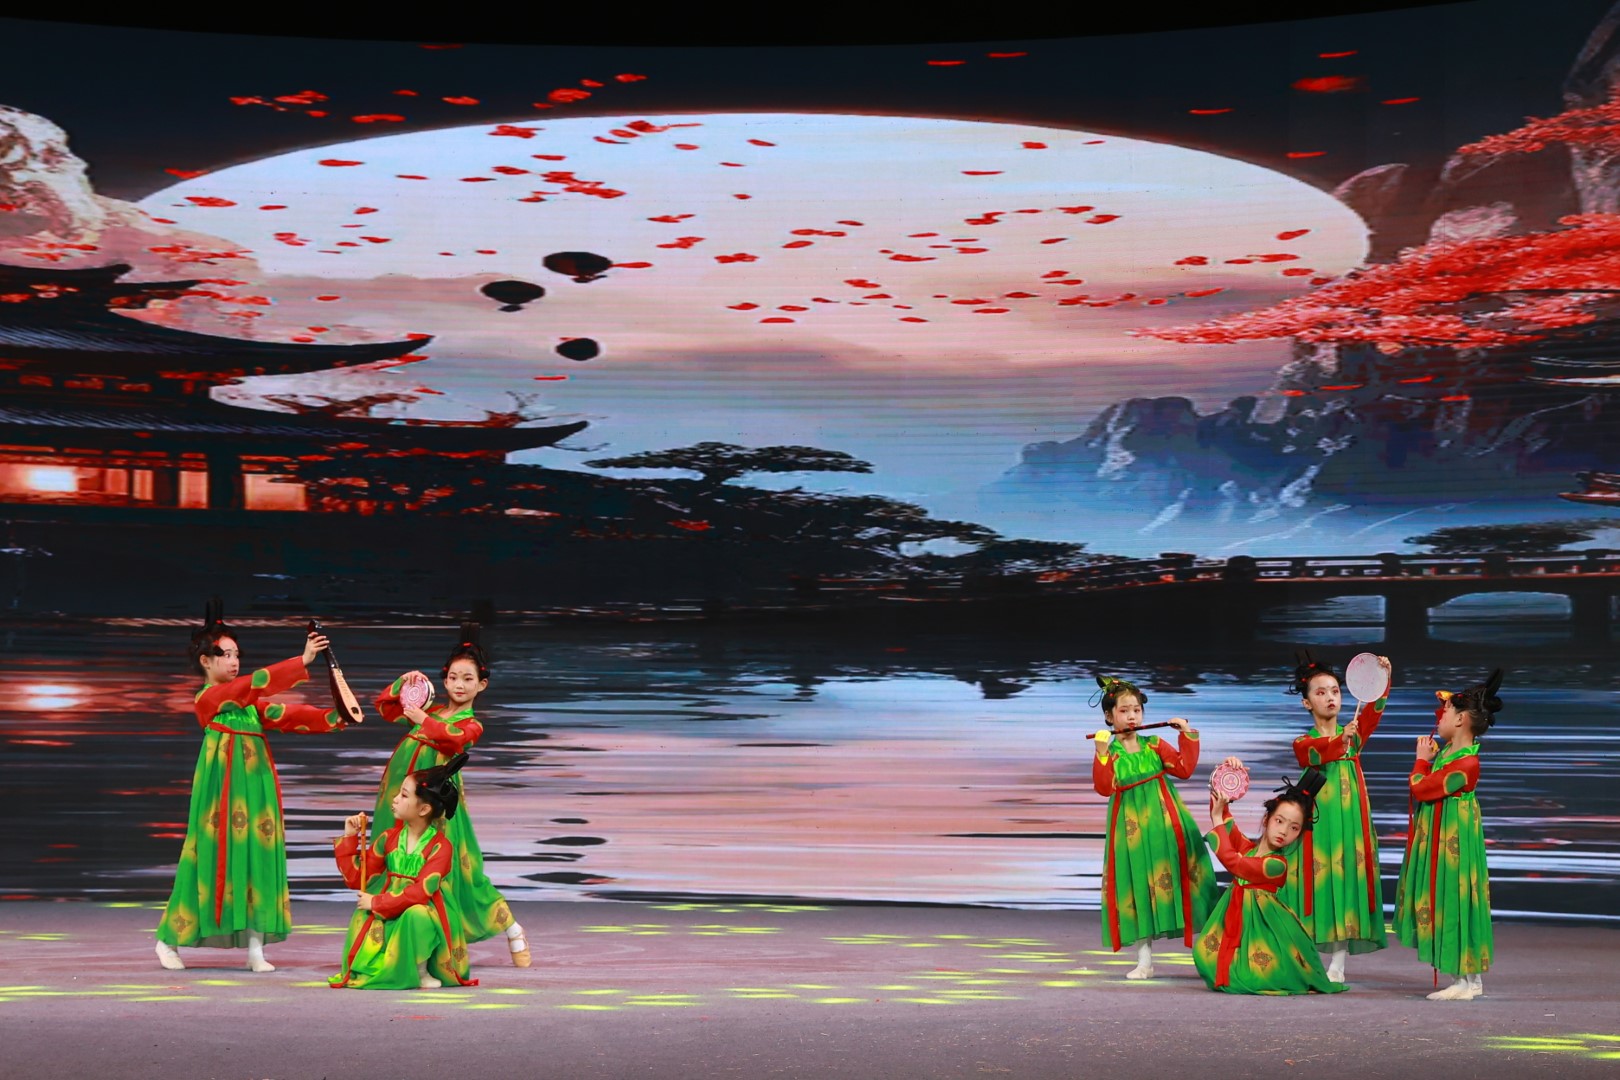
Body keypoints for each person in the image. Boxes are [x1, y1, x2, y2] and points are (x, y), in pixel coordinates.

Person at [155, 599, 353, 972]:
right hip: (222, 792)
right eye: (225, 655)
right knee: (208, 858)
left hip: (257, 788)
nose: (234, 661)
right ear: (205, 661)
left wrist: (335, 717)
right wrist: (302, 660)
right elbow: (253, 683)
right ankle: (168, 940)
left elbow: (287, 714)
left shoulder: (248, 706)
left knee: (258, 859)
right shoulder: (209, 699)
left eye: (236, 654)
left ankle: (255, 949)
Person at [371, 623, 528, 966]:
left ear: (481, 685)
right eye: (453, 677)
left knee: (453, 872)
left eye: (468, 679)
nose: (459, 684)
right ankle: (400, 941)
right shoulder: (430, 712)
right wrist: (404, 683)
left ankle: (511, 928)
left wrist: (421, 718)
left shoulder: (471, 724)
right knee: (398, 862)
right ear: (444, 681)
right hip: (402, 800)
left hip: (436, 805)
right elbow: (385, 707)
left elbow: (452, 739)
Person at [1090, 675, 1218, 979]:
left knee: (1187, 881)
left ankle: (1214, 951)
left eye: (1136, 710)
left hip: (1166, 825)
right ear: (1109, 716)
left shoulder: (1155, 745)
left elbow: (1184, 769)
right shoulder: (1112, 753)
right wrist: (1101, 753)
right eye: (1124, 711)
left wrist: (1186, 733)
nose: (1131, 716)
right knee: (1138, 887)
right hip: (1131, 831)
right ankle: (1144, 961)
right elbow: (1104, 788)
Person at [1276, 651, 1392, 983]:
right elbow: (1311, 755)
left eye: (1335, 691)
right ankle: (1301, 954)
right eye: (1320, 692)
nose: (1330, 697)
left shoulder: (1354, 735)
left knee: (1346, 877)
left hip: (1350, 818)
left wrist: (1383, 678)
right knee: (1309, 880)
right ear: (1307, 703)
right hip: (1316, 818)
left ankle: (1337, 963)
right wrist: (1340, 740)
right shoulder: (1304, 741)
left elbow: (1374, 708)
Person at [1395, 669, 1501, 1001]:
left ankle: (1464, 979)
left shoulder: (1465, 763)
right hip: (1443, 833)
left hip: (1452, 839)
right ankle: (1468, 978)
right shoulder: (1451, 754)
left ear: (1460, 720)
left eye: (1445, 712)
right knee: (1451, 896)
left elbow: (1421, 788)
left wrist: (1420, 762)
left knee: (1453, 896)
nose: (1439, 718)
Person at [330, 754, 477, 990]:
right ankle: (384, 967)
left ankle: (421, 970)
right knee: (362, 914)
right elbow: (357, 878)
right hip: (390, 902)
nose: (395, 799)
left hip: (427, 908)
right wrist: (350, 838)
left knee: (415, 915)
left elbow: (421, 893)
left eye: (404, 795)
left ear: (424, 809)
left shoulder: (440, 847)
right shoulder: (389, 839)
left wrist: (378, 902)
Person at [1195, 769, 1345, 995]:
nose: (1284, 831)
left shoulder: (1276, 864)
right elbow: (1225, 820)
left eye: (1294, 828)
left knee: (1258, 974)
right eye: (1279, 821)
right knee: (1203, 954)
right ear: (1267, 819)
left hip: (1262, 927)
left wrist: (1217, 819)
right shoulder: (1249, 849)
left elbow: (1234, 862)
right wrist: (1228, 773)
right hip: (1237, 919)